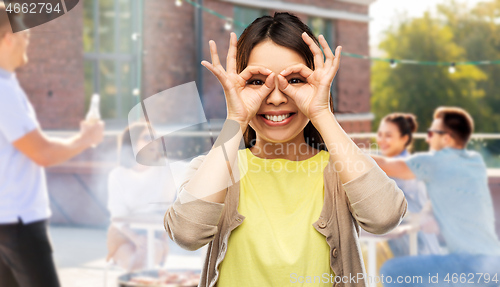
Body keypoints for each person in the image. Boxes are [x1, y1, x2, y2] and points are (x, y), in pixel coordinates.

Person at [164, 12, 407, 287]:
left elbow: (385, 217)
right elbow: (187, 234)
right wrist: (236, 119)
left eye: (294, 80)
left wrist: (321, 112)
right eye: (256, 81)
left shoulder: (341, 171)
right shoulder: (213, 170)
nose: (277, 98)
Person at [0, 4, 104, 287]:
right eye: (24, 36)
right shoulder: (4, 91)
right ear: (8, 38)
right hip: (18, 222)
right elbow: (42, 152)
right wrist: (86, 139)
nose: (27, 41)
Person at [372, 107, 500, 286]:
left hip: (469, 264)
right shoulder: (475, 161)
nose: (427, 138)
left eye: (432, 133)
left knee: (392, 271)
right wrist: (428, 213)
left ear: (446, 138)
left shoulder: (434, 162)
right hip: (494, 264)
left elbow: (387, 164)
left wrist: (341, 152)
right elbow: (452, 194)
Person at [106, 123, 176, 271]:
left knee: (148, 254)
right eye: (146, 137)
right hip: (123, 234)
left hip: (155, 234)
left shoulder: (166, 169)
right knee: (134, 261)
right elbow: (117, 215)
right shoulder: (117, 175)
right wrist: (136, 239)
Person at [376, 113, 441, 257]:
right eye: (380, 134)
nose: (381, 140)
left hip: (418, 246)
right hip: (397, 244)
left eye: (388, 135)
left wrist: (342, 153)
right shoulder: (385, 165)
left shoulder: (406, 165)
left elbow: (379, 164)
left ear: (404, 138)